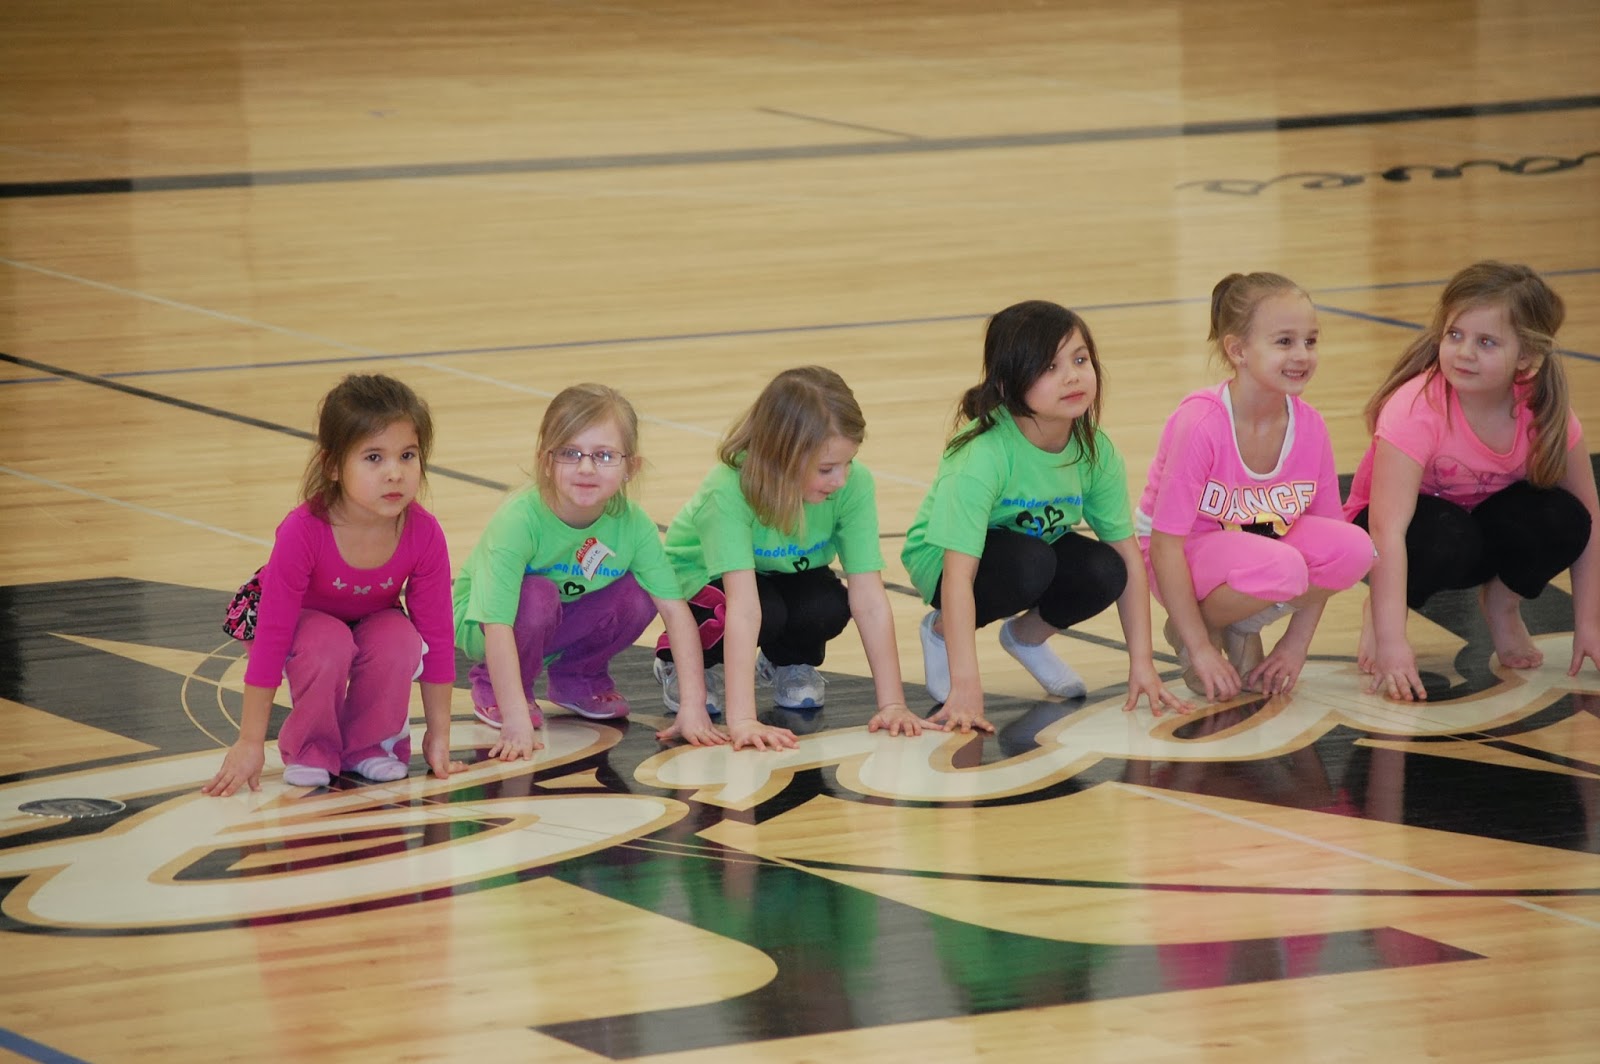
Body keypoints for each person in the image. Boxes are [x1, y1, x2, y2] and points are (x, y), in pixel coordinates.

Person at [902, 300, 1186, 733]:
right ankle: (940, 632)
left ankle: (1027, 638)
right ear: (1007, 383)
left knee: (1106, 569)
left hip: (1034, 547)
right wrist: (967, 686)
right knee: (1030, 563)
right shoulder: (981, 455)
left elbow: (1129, 556)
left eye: (1079, 359)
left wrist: (1142, 664)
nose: (1072, 376)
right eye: (1049, 367)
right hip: (945, 561)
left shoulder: (1096, 449)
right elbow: (959, 574)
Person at [1346, 261, 1598, 701]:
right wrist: (1392, 640)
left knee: (1565, 518)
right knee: (1445, 533)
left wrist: (1590, 623)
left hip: (1478, 533)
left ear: (1526, 357)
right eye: (1455, 335)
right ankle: (1384, 610)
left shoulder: (1544, 413)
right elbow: (1387, 529)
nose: (1464, 353)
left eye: (1486, 342)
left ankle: (1502, 606)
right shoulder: (1415, 408)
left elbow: (1590, 521)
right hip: (1402, 538)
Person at [204, 374, 463, 796]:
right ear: (332, 466)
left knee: (402, 641)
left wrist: (439, 736)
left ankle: (369, 746)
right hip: (299, 623)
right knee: (327, 644)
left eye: (408, 455)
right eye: (374, 458)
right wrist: (250, 741)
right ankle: (310, 747)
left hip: (369, 615)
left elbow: (437, 634)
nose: (395, 473)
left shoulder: (425, 533)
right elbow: (272, 636)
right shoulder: (303, 531)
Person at [659, 366, 935, 749]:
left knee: (826, 604)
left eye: (848, 463)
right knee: (761, 612)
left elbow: (870, 598)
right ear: (781, 457)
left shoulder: (852, 486)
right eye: (826, 469)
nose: (840, 479)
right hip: (705, 580)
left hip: (780, 573)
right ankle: (684, 663)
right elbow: (745, 608)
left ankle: (787, 660)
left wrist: (893, 704)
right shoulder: (728, 490)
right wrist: (743, 720)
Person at [453, 383, 722, 758]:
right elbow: (496, 622)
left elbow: (676, 613)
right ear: (546, 461)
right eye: (570, 453)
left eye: (605, 455)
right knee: (538, 596)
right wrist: (515, 717)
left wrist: (694, 705)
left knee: (643, 591)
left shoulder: (634, 526)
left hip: (560, 616)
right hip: (485, 625)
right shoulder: (519, 519)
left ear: (632, 466)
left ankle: (577, 677)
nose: (586, 468)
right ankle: (497, 686)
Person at [1140, 273, 1374, 701]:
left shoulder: (1311, 426)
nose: (1302, 354)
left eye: (1311, 340)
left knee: (1356, 549)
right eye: (1284, 341)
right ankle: (1198, 627)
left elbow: (1329, 541)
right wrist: (1201, 649)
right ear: (1238, 350)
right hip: (1183, 550)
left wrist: (1294, 646)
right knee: (1282, 568)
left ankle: (1239, 623)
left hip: (1261, 545)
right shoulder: (1201, 424)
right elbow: (1164, 545)